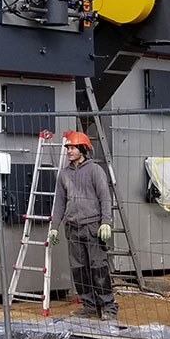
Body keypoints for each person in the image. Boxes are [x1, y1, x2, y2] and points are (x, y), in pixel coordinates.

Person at [47, 130, 116, 320]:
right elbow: (59, 202)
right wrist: (54, 226)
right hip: (73, 228)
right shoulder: (64, 174)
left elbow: (105, 197)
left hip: (92, 227)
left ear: (83, 149)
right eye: (68, 147)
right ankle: (89, 307)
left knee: (98, 267)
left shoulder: (95, 170)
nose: (69, 151)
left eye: (73, 147)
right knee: (79, 269)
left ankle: (108, 307)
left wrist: (106, 222)